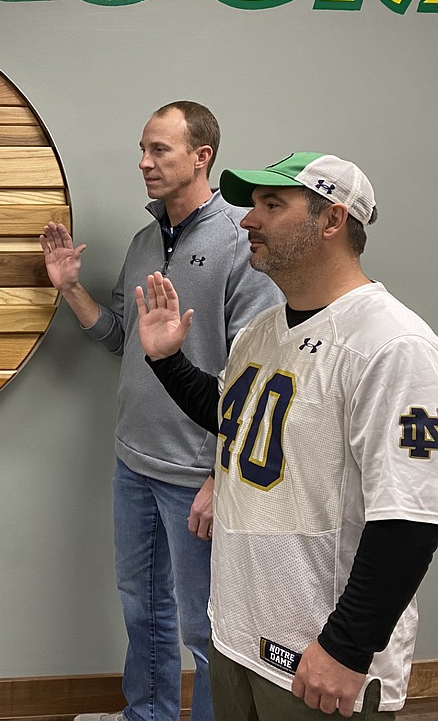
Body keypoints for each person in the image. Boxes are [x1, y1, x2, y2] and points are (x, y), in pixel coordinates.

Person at [136, 152, 438, 719]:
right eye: (253, 204)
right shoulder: (263, 329)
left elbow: (410, 519)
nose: (249, 220)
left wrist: (346, 648)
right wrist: (168, 362)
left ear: (332, 222)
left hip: (317, 654)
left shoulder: (393, 346)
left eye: (272, 205)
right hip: (239, 631)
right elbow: (239, 420)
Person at [40, 102, 279, 721]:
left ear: (202, 156)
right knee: (143, 607)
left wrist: (219, 476)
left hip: (198, 472)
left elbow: (255, 375)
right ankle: (147, 714)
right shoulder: (146, 241)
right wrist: (69, 287)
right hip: (134, 459)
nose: (144, 163)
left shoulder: (240, 241)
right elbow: (122, 337)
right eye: (143, 150)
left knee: (206, 628)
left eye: (160, 151)